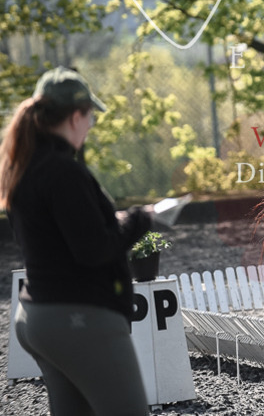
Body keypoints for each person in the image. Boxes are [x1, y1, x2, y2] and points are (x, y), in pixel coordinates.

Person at [0, 67, 151, 415]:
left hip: (36, 317)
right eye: (90, 117)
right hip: (78, 318)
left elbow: (60, 236)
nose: (91, 126)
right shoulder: (64, 172)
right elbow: (94, 249)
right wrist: (143, 219)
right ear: (75, 116)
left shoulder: (22, 169)